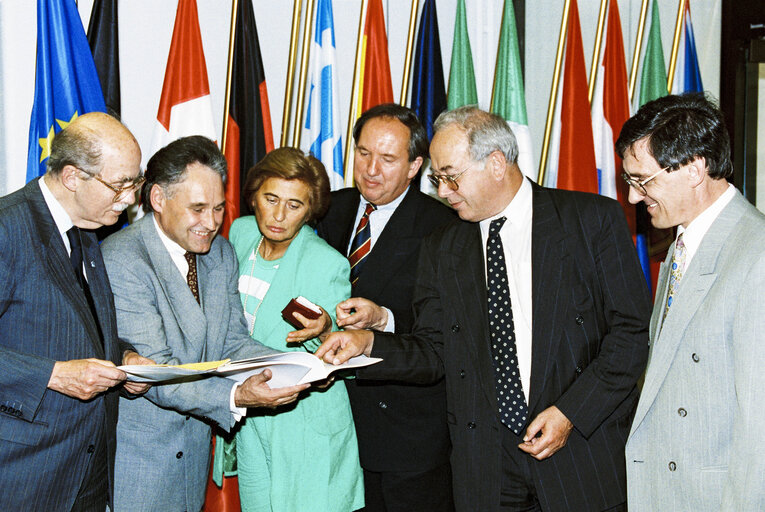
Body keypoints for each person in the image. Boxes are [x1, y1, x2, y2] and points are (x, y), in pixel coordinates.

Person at [317, 106, 652, 512]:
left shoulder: (589, 221)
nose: (443, 191)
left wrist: (570, 414)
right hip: (487, 469)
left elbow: (630, 335)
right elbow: (433, 350)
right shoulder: (444, 245)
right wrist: (368, 344)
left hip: (580, 455)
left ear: (496, 163)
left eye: (451, 176)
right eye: (438, 179)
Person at [101, 136, 308, 512]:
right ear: (159, 199)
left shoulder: (221, 254)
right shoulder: (123, 259)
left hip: (192, 464)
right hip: (139, 468)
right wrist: (235, 396)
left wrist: (295, 367)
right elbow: (156, 373)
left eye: (217, 208)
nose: (211, 223)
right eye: (197, 209)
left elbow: (232, 342)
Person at [616, 93, 765, 511]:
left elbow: (760, 428)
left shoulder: (756, 256)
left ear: (695, 168)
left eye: (643, 181)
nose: (632, 198)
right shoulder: (681, 246)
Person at [0, 112, 152, 511]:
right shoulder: (6, 229)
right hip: (22, 475)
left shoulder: (85, 228)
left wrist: (125, 357)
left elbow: (80, 325)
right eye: (120, 184)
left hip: (85, 472)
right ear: (72, 177)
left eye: (134, 182)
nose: (131, 198)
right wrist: (53, 375)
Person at [315, 103, 455, 512]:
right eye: (363, 153)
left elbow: (450, 330)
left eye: (388, 159)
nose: (371, 169)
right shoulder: (328, 210)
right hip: (335, 428)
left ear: (414, 166)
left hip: (405, 439)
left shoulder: (443, 227)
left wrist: (384, 318)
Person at [217, 147, 363, 512]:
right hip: (250, 414)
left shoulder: (326, 263)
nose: (279, 215)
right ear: (254, 197)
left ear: (310, 210)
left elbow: (332, 334)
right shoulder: (240, 232)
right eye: (271, 198)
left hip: (305, 425)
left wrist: (325, 328)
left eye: (295, 205)